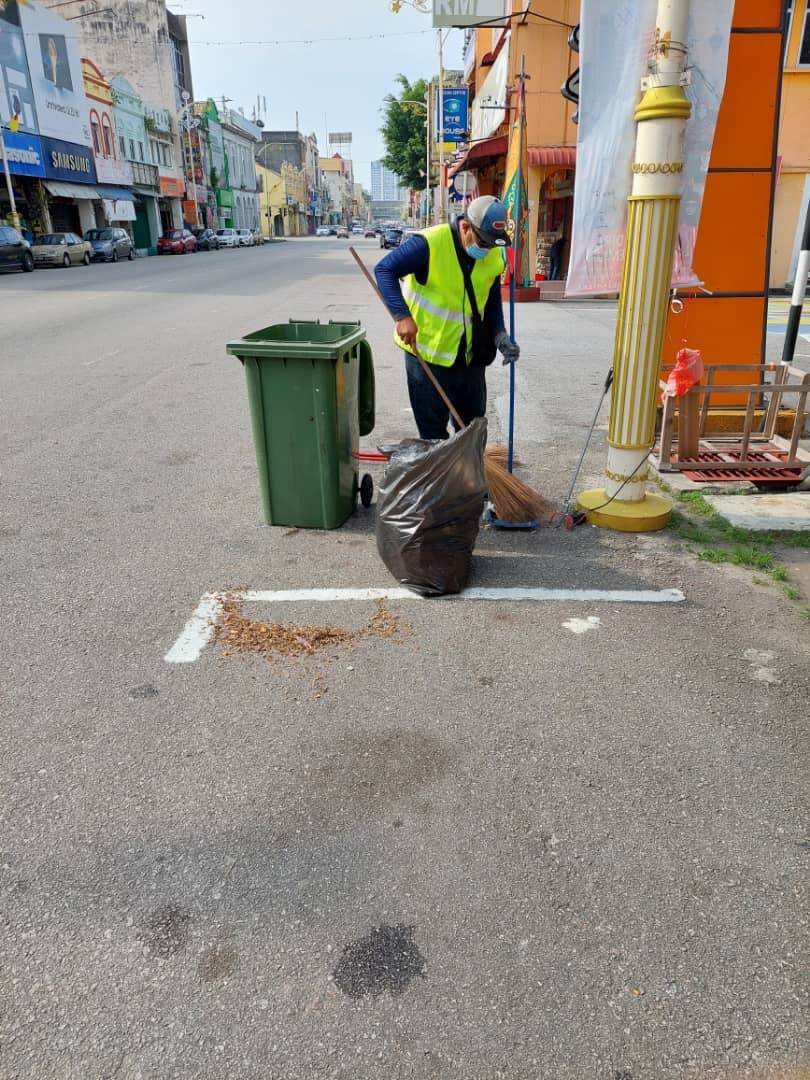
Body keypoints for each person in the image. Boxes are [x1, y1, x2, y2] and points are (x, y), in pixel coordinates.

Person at [374, 195, 520, 440]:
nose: (487, 249)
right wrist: (401, 315)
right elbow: (385, 269)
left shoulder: (493, 254)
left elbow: (491, 298)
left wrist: (500, 334)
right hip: (427, 355)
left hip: (470, 357)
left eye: (492, 244)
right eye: (483, 242)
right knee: (433, 435)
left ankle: (466, 477)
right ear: (465, 227)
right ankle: (441, 477)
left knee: (472, 430)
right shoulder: (429, 244)